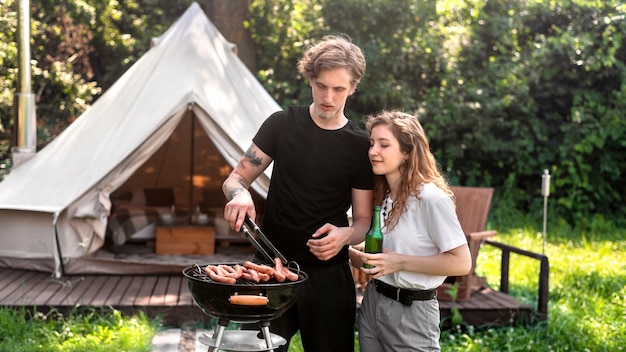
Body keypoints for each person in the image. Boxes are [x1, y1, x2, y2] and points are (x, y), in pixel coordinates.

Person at [222, 34, 374, 352]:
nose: (328, 97)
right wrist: (240, 194)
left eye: (338, 89)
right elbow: (236, 177)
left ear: (353, 87)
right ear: (310, 80)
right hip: (267, 270)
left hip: (329, 278)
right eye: (321, 86)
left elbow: (362, 221)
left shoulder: (360, 146)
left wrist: (344, 236)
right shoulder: (281, 124)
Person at [349, 110, 472, 351]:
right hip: (373, 303)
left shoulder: (431, 198)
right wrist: (348, 252)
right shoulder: (386, 196)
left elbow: (461, 263)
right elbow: (390, 251)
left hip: (411, 312)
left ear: (407, 152)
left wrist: (399, 263)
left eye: (384, 145)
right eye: (372, 143)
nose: (373, 151)